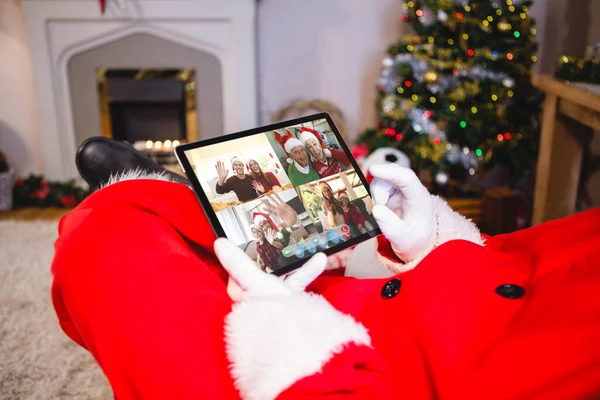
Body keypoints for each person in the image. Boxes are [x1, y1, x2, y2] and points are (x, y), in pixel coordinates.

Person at [51, 136, 600, 399]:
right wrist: (436, 244)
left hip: (339, 366)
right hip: (402, 301)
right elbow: (523, 268)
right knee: (247, 245)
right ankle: (177, 208)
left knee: (101, 242)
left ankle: (160, 201)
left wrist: (281, 328)